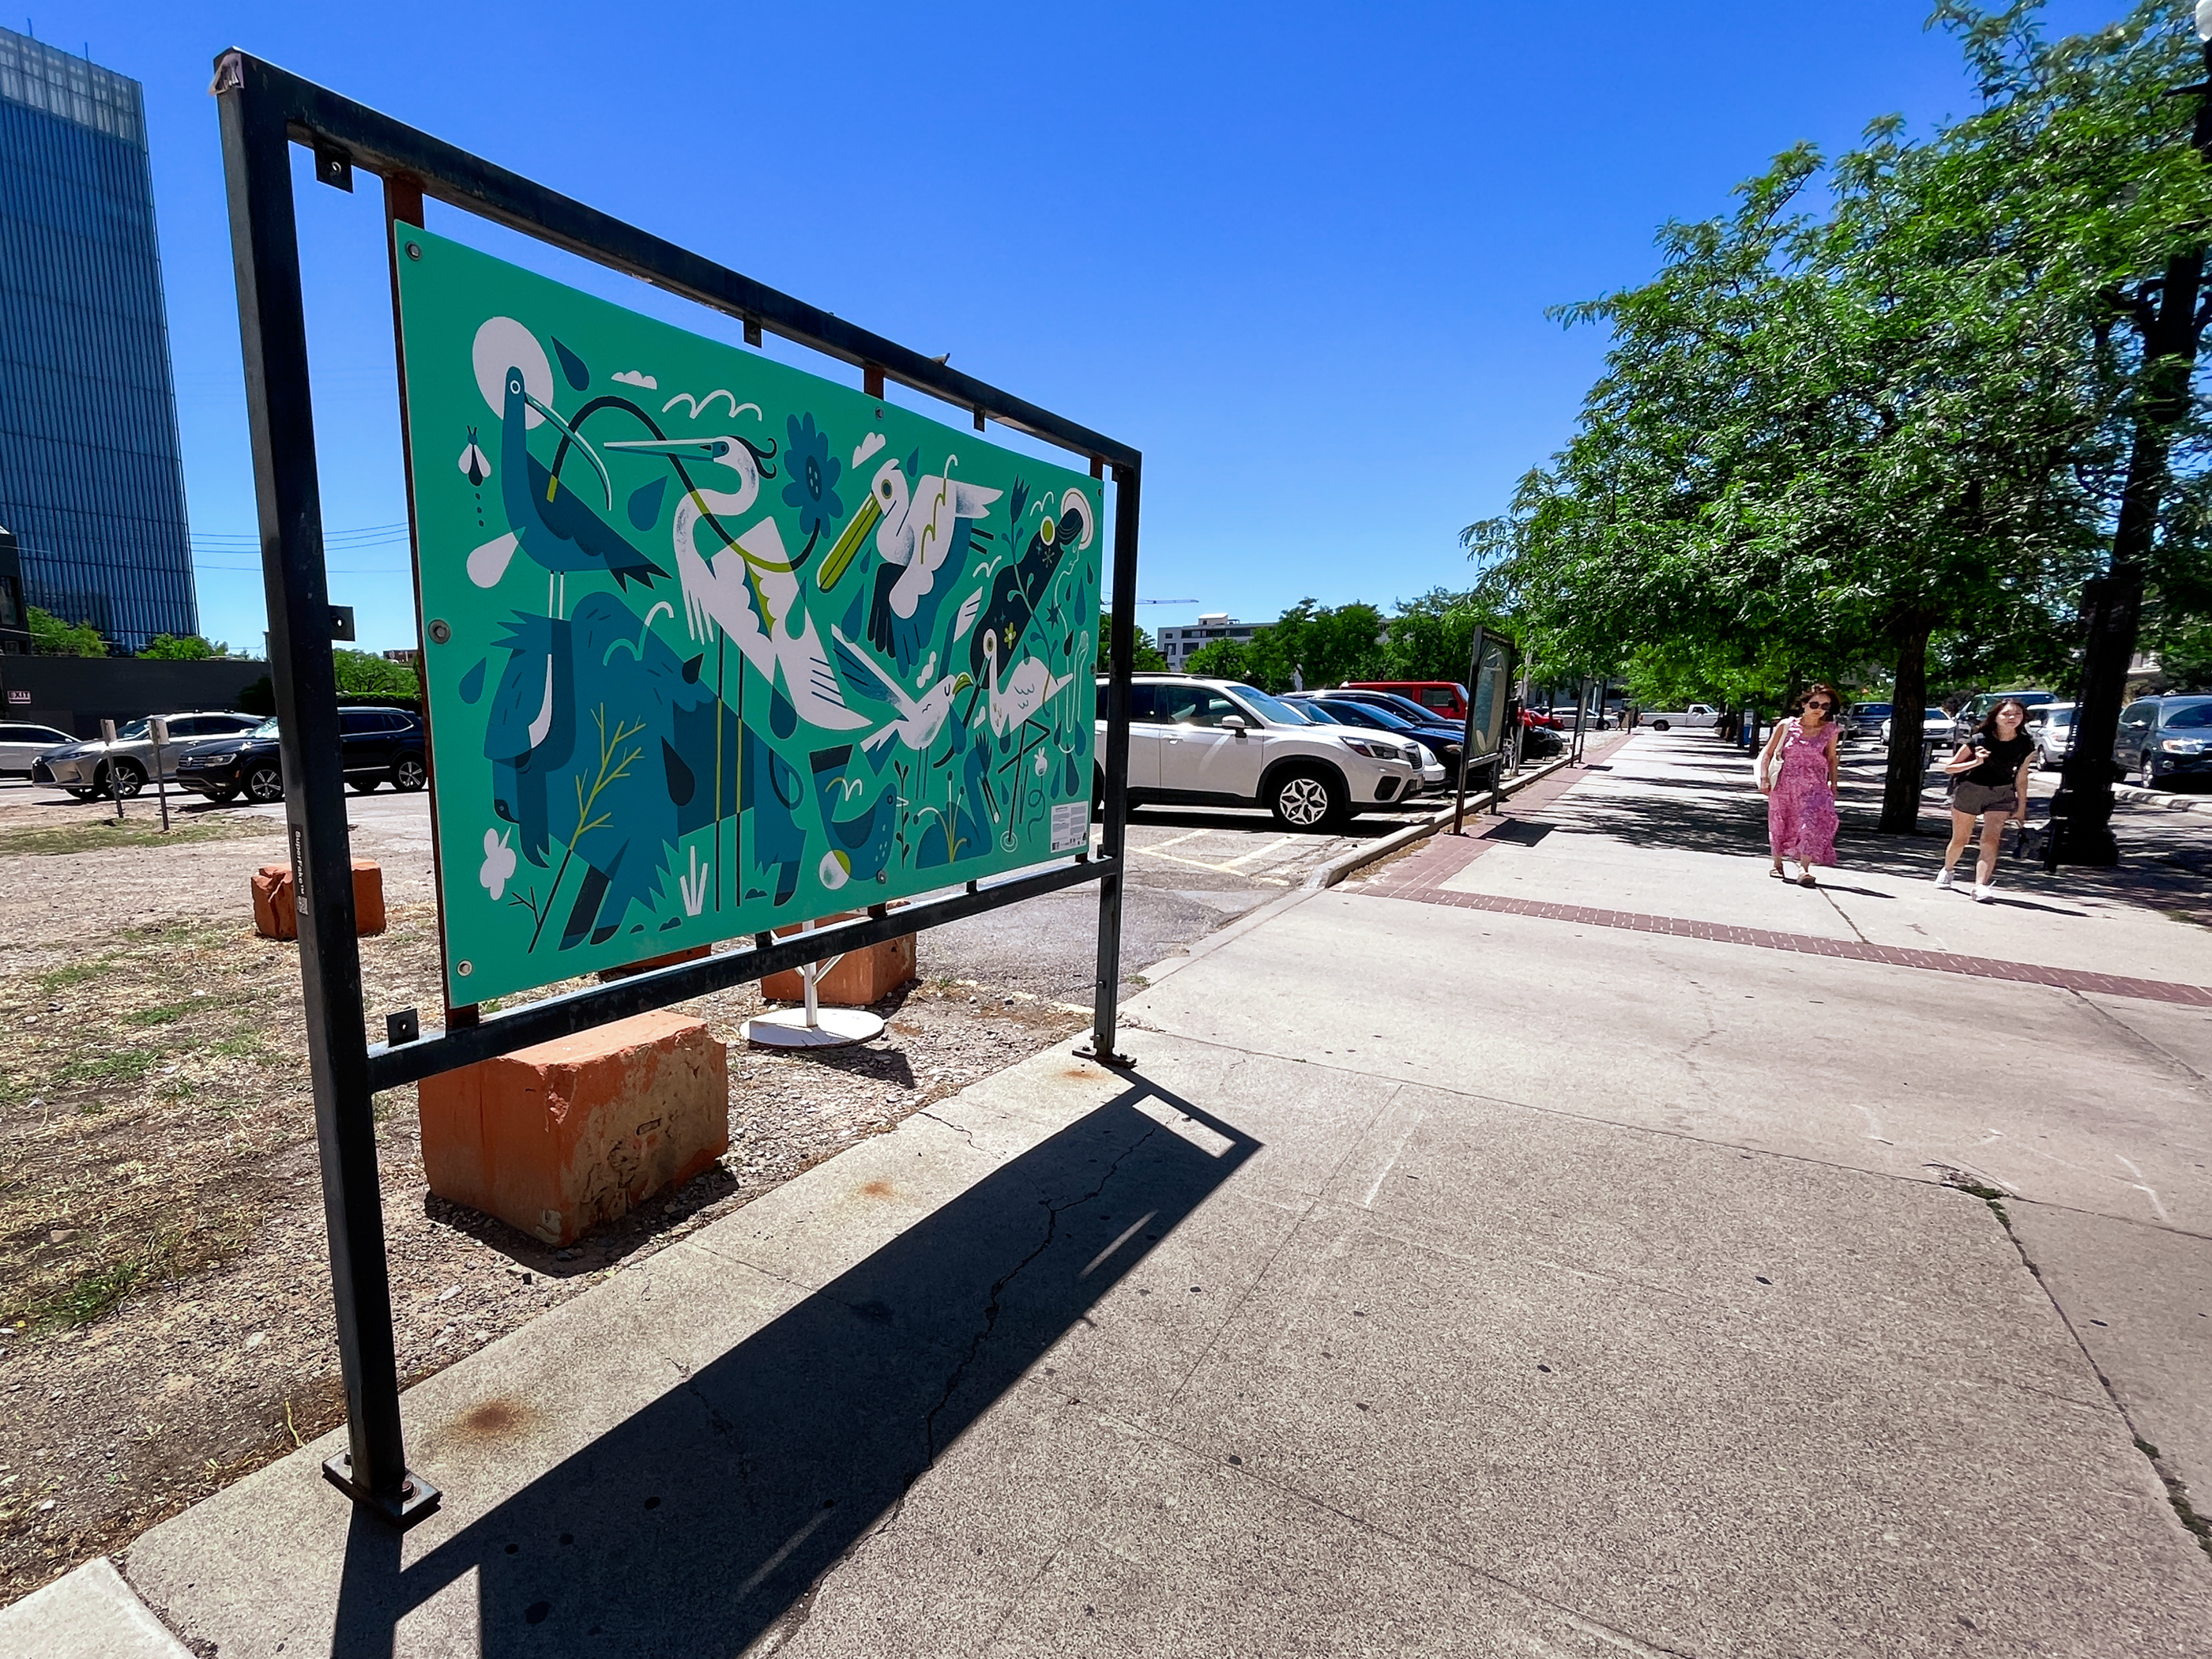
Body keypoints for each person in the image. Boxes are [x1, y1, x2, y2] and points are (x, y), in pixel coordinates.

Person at [1935, 697, 2037, 901]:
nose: (2012, 718)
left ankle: (1980, 886)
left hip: (2001, 792)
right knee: (1961, 839)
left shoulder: (2026, 744)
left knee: (1990, 841)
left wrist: (2021, 807)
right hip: (1971, 790)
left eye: (2017, 714)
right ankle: (1948, 869)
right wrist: (1976, 762)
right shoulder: (1980, 739)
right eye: (2006, 714)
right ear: (1996, 717)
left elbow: (2022, 777)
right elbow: (1950, 768)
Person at [1757, 683, 1841, 886]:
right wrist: (1764, 778)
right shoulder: (1786, 726)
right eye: (1815, 704)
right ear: (1803, 704)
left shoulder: (1830, 730)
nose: (1819, 709)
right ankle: (1777, 863)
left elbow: (1831, 758)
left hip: (1815, 786)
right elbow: (1768, 753)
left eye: (1825, 706)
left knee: (1810, 824)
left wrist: (1834, 783)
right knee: (1780, 823)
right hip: (1785, 784)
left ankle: (1804, 869)